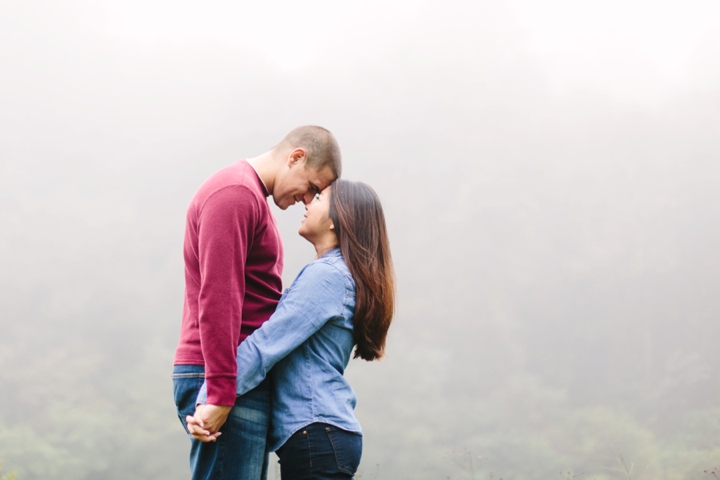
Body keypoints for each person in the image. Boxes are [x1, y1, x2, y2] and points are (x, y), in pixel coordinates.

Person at [188, 179, 395, 480]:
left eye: (319, 197)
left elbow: (267, 344)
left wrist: (212, 396)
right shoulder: (336, 274)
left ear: (339, 220)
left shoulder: (327, 277)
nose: (308, 203)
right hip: (321, 434)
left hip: (317, 433)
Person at [172, 126, 342, 480]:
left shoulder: (249, 197)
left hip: (235, 373)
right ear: (296, 157)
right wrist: (221, 392)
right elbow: (219, 296)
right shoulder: (235, 194)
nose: (309, 200)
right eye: (312, 186)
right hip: (224, 371)